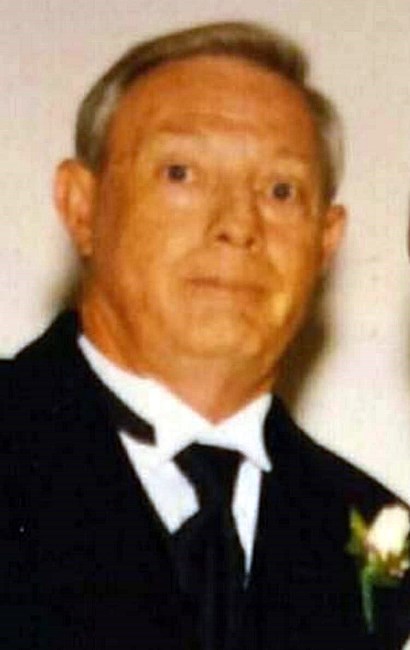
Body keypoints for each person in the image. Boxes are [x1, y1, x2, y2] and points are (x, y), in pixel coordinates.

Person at [0, 20, 408, 650]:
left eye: (281, 190)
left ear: (326, 242)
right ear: (82, 207)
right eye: (181, 173)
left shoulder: (375, 532)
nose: (238, 225)